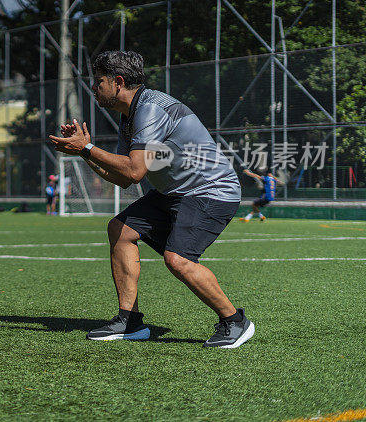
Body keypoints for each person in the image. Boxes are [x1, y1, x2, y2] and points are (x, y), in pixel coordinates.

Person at [49, 50, 254, 349]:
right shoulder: (129, 117)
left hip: (211, 190)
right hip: (174, 192)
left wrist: (88, 146)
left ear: (118, 82)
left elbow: (133, 171)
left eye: (99, 81)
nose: (94, 88)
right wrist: (83, 151)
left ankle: (235, 321)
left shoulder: (151, 110)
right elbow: (123, 178)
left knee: (178, 260)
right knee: (120, 230)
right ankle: (129, 321)